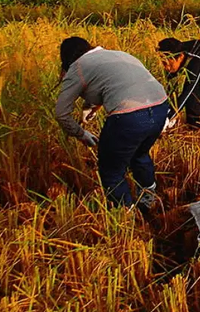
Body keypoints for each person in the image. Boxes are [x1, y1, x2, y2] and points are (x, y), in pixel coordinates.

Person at [54, 37, 170, 208]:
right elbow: (113, 84)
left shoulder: (77, 67)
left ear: (66, 58)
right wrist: (90, 108)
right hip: (160, 108)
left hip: (130, 117)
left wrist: (81, 134)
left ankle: (125, 214)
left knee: (111, 170)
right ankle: (149, 201)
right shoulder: (117, 54)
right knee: (139, 155)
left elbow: (61, 113)